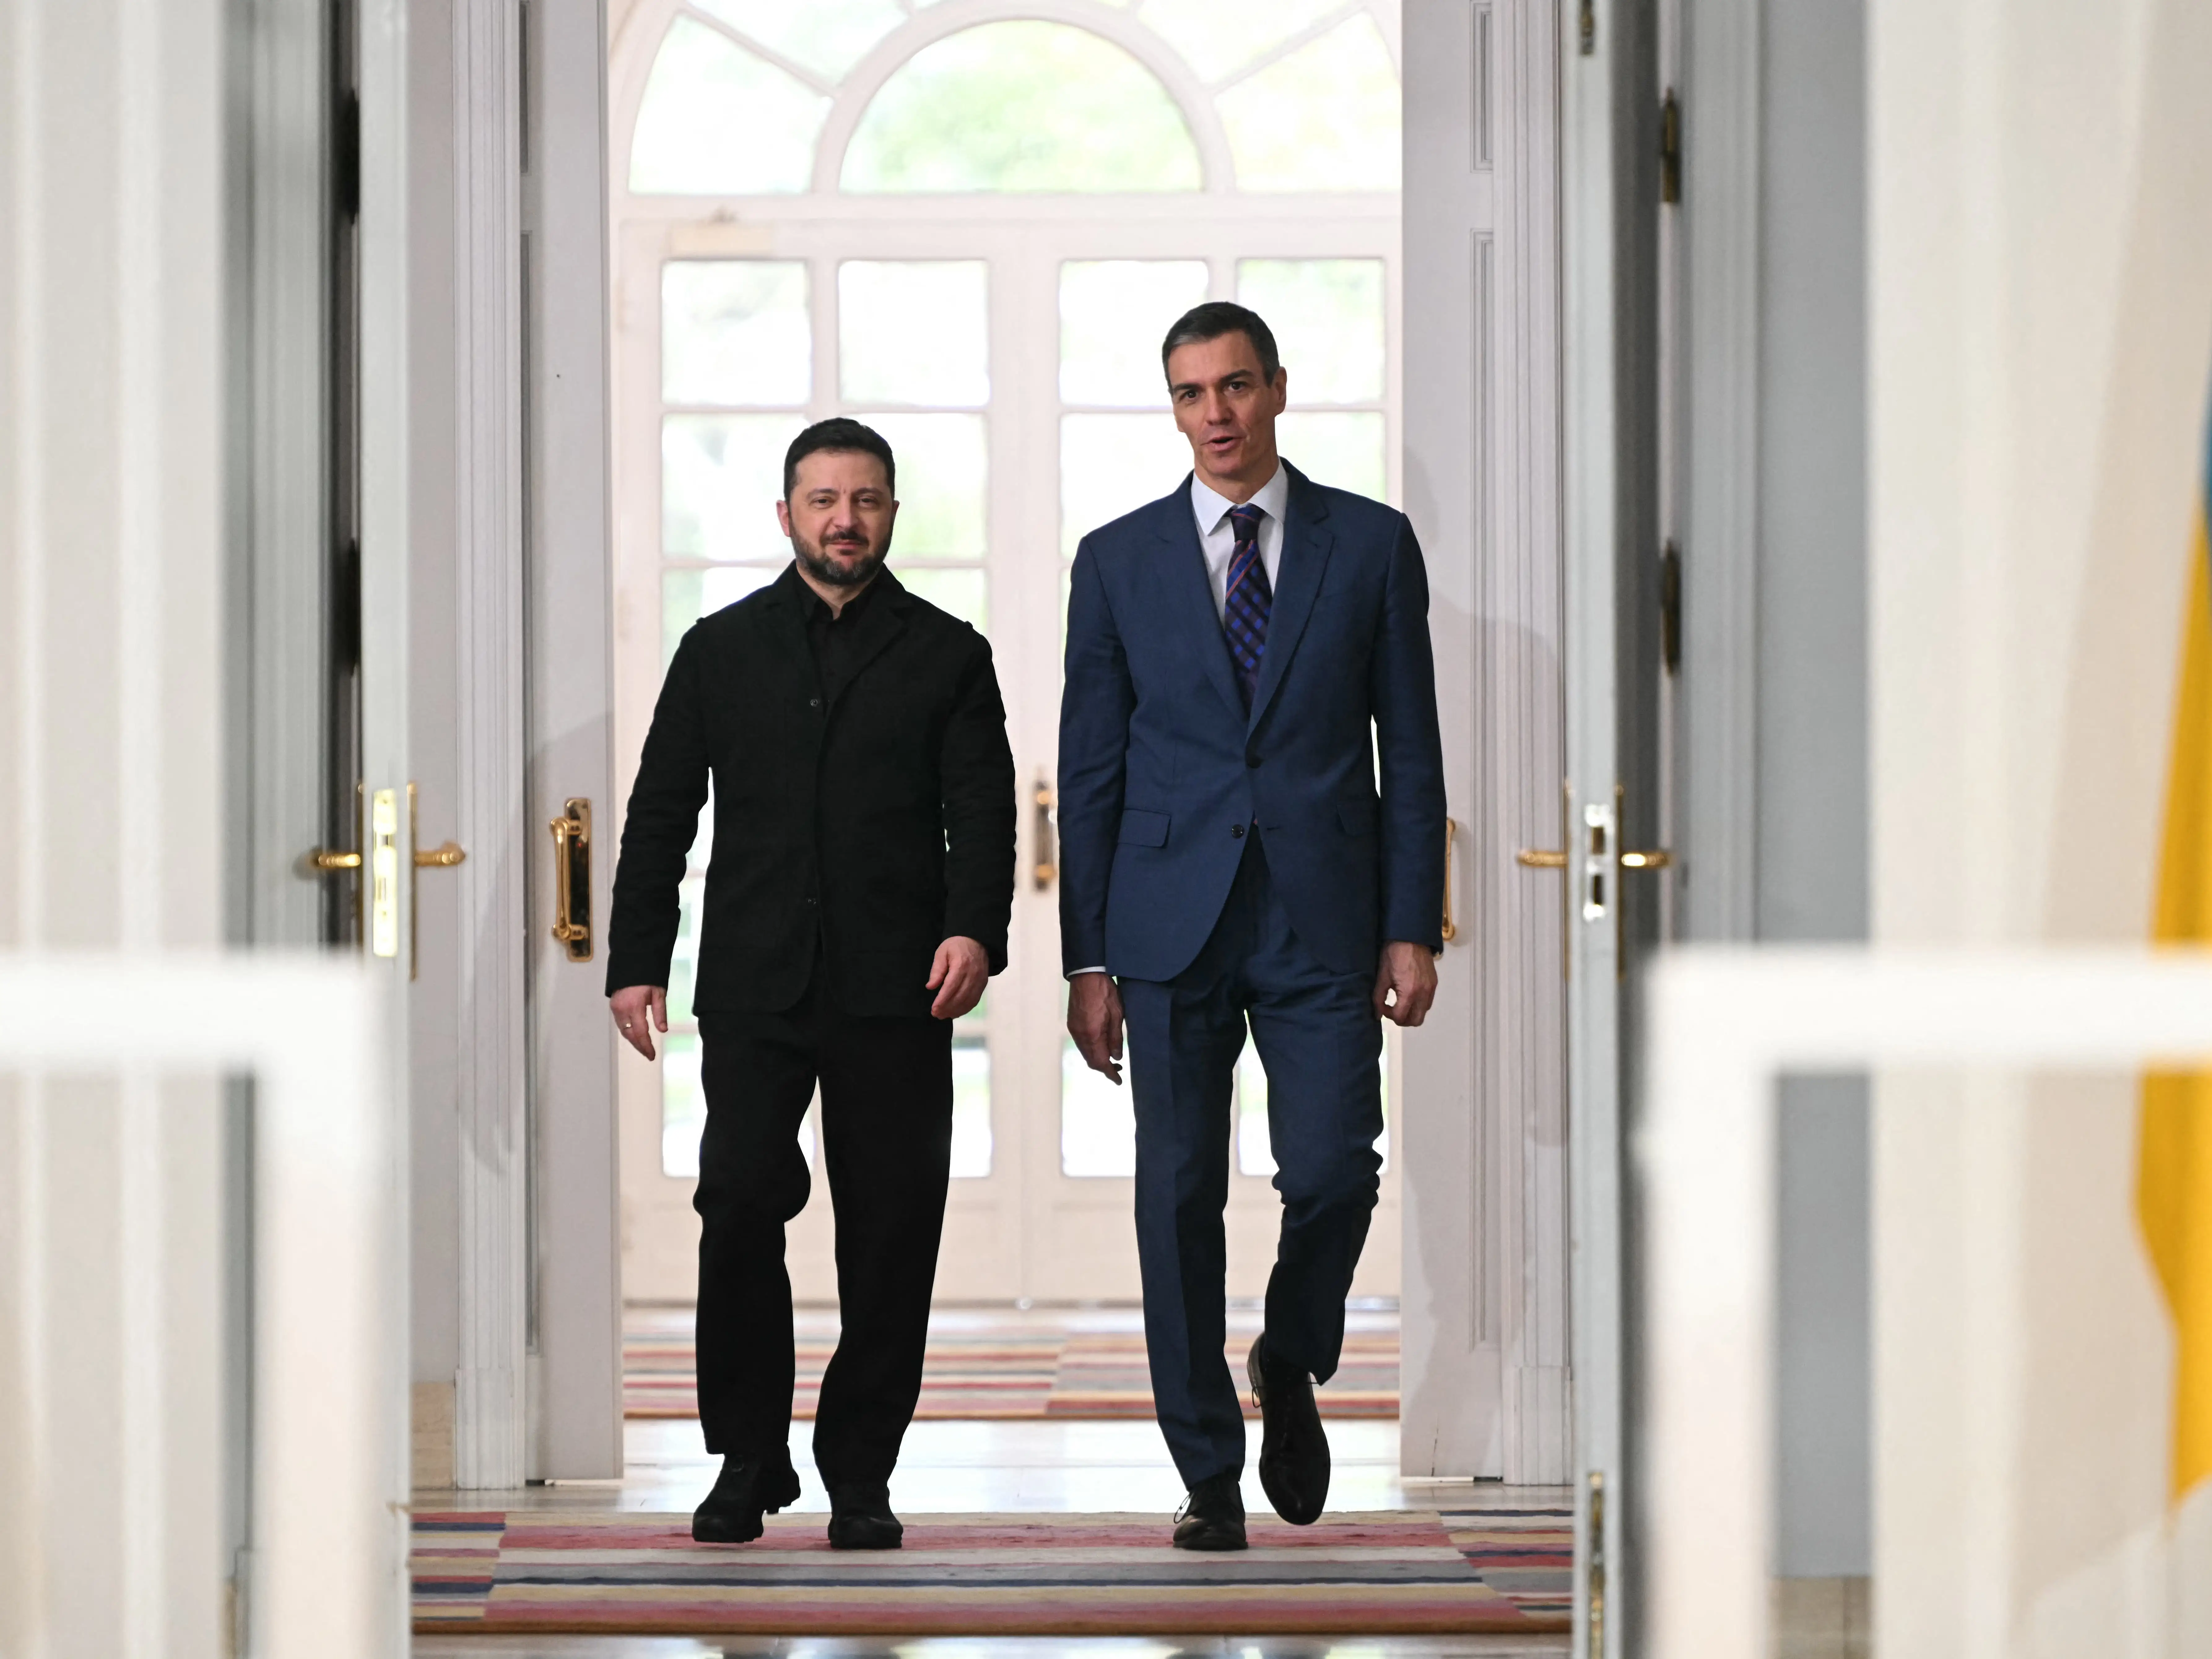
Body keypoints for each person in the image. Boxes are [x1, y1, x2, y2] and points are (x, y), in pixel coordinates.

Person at [1058, 303, 1446, 1551]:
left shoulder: (1371, 545)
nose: (1215, 413)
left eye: (1234, 386)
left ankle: (1287, 1353)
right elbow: (1092, 766)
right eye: (1189, 393)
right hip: (1166, 923)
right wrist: (1088, 953)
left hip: (1323, 917)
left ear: (1277, 388)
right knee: (1175, 1195)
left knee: (1334, 1168)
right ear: (1170, 407)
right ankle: (1207, 1472)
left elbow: (1413, 749)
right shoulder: (1114, 561)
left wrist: (1411, 923)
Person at [605, 417, 1016, 1551]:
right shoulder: (717, 649)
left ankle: (861, 1468)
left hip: (901, 989)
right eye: (824, 499)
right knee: (737, 1203)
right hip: (753, 988)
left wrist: (976, 933)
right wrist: (637, 958)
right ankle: (746, 1455)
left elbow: (982, 814)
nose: (846, 518)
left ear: (892, 513)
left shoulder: (949, 654)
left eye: (868, 499)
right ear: (786, 514)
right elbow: (659, 816)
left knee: (890, 1231)